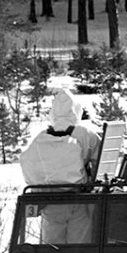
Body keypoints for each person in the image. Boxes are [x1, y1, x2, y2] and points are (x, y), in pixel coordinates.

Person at [19, 89, 102, 244]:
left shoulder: (43, 136)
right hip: (78, 199)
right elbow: (100, 163)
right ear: (76, 110)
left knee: (52, 246)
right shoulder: (86, 134)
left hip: (51, 200)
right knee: (79, 245)